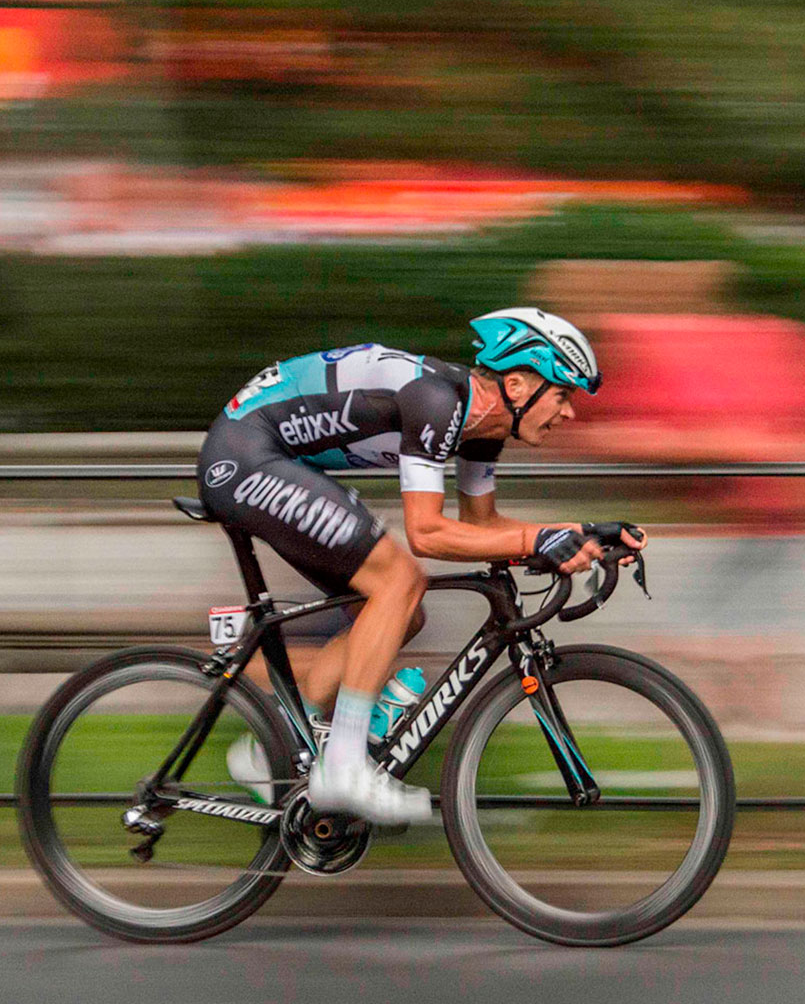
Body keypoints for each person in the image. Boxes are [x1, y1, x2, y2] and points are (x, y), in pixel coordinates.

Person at [195, 307, 644, 825]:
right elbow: (427, 533)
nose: (569, 413)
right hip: (246, 454)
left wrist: (581, 534)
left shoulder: (482, 426)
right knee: (401, 580)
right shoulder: (437, 401)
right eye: (563, 395)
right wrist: (541, 539)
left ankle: (265, 750)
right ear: (518, 385)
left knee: (401, 614)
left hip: (278, 458)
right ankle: (342, 768)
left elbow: (483, 525)